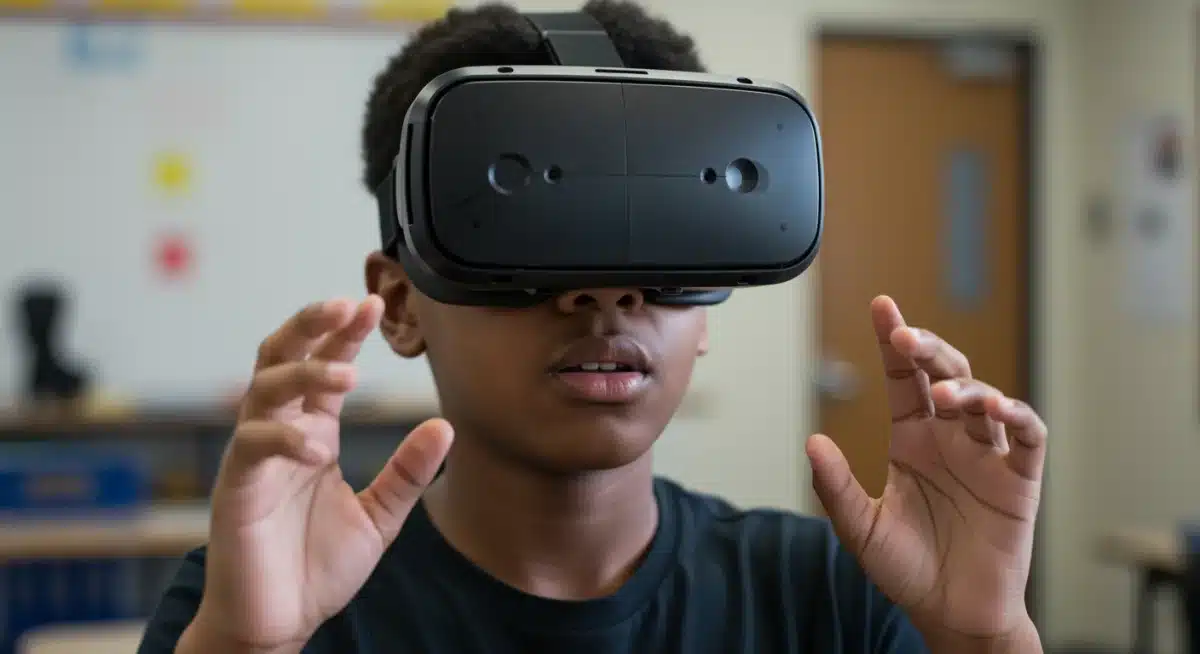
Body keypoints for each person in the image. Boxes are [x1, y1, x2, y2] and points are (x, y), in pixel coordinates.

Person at [137, 2, 1048, 653]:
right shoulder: (269, 598)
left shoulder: (828, 596)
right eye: (532, 231)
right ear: (402, 303)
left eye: (660, 248)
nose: (606, 293)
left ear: (709, 298)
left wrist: (986, 638)